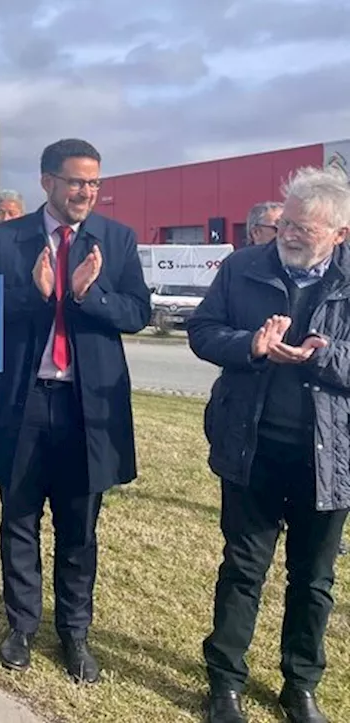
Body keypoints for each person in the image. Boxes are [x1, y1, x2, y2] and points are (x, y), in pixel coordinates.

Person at [0, 138, 151, 684]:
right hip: (22, 403)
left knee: (79, 528)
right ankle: (22, 627)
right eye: (76, 182)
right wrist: (35, 295)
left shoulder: (114, 241)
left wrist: (83, 296)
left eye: (94, 183)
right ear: (47, 181)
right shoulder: (6, 240)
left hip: (85, 408)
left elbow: (138, 312)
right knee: (19, 520)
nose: (86, 192)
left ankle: (75, 634)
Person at [187, 165, 350, 723]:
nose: (292, 233)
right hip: (250, 445)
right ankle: (225, 683)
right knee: (243, 567)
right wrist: (251, 346)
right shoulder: (241, 267)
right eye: (289, 223)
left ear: (340, 235)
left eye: (308, 227)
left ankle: (300, 685)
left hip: (328, 457)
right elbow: (204, 332)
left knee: (314, 579)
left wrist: (323, 354)